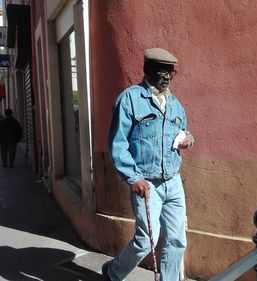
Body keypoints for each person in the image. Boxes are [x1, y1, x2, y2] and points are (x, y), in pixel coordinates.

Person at [103, 48, 195, 281]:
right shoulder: (130, 99)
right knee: (146, 241)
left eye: (170, 72)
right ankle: (113, 273)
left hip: (173, 181)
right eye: (161, 71)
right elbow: (118, 144)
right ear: (147, 70)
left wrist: (189, 139)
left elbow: (182, 131)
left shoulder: (175, 104)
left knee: (176, 240)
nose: (167, 77)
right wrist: (134, 178)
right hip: (147, 183)